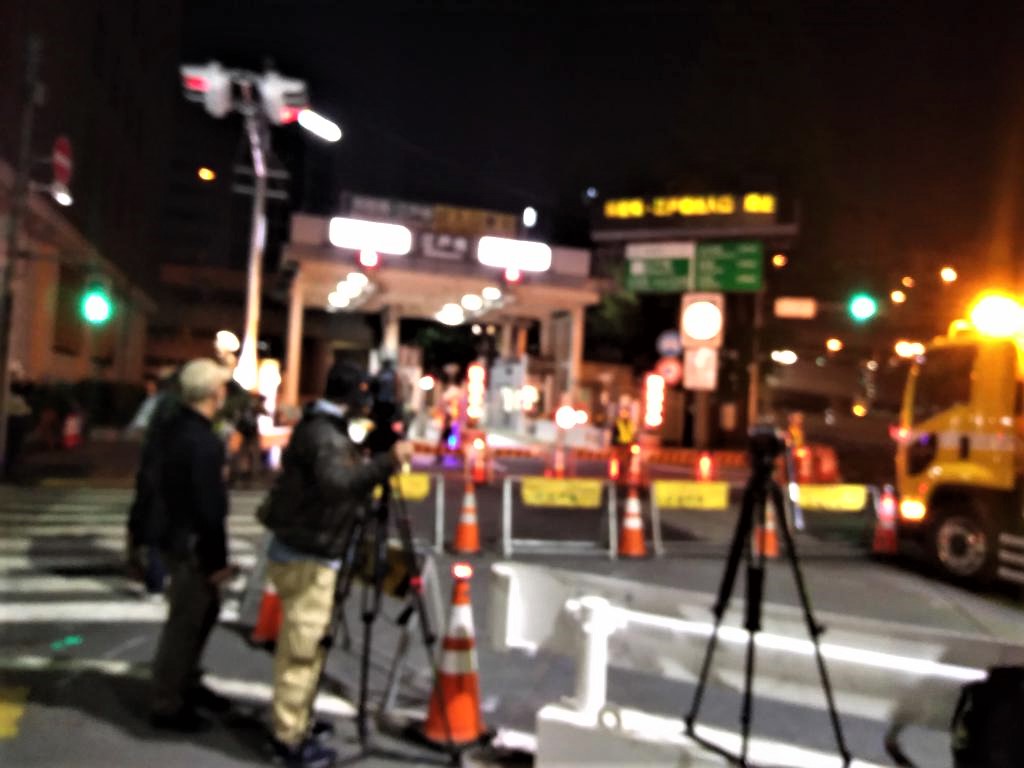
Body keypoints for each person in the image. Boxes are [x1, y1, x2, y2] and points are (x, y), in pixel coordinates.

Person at [257, 363, 414, 768]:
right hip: (309, 553)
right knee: (303, 650)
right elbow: (337, 485)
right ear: (355, 395)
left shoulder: (321, 426)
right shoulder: (326, 435)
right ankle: (288, 738)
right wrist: (386, 461)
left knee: (307, 644)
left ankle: (298, 718)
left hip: (307, 547)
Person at [150, 358, 236, 732]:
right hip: (193, 544)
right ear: (213, 392)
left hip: (174, 535)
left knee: (199, 614)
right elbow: (209, 506)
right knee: (186, 621)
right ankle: (168, 701)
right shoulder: (202, 441)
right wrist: (217, 559)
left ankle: (186, 682)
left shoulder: (173, 429)